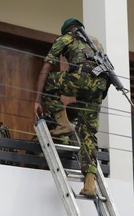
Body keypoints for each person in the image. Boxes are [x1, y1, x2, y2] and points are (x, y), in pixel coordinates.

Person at [34, 18, 111, 198]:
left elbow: (46, 67)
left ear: (67, 30)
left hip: (82, 80)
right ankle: (90, 184)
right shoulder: (96, 43)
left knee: (50, 81)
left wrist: (37, 100)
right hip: (99, 87)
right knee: (88, 134)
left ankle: (63, 124)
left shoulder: (66, 38)